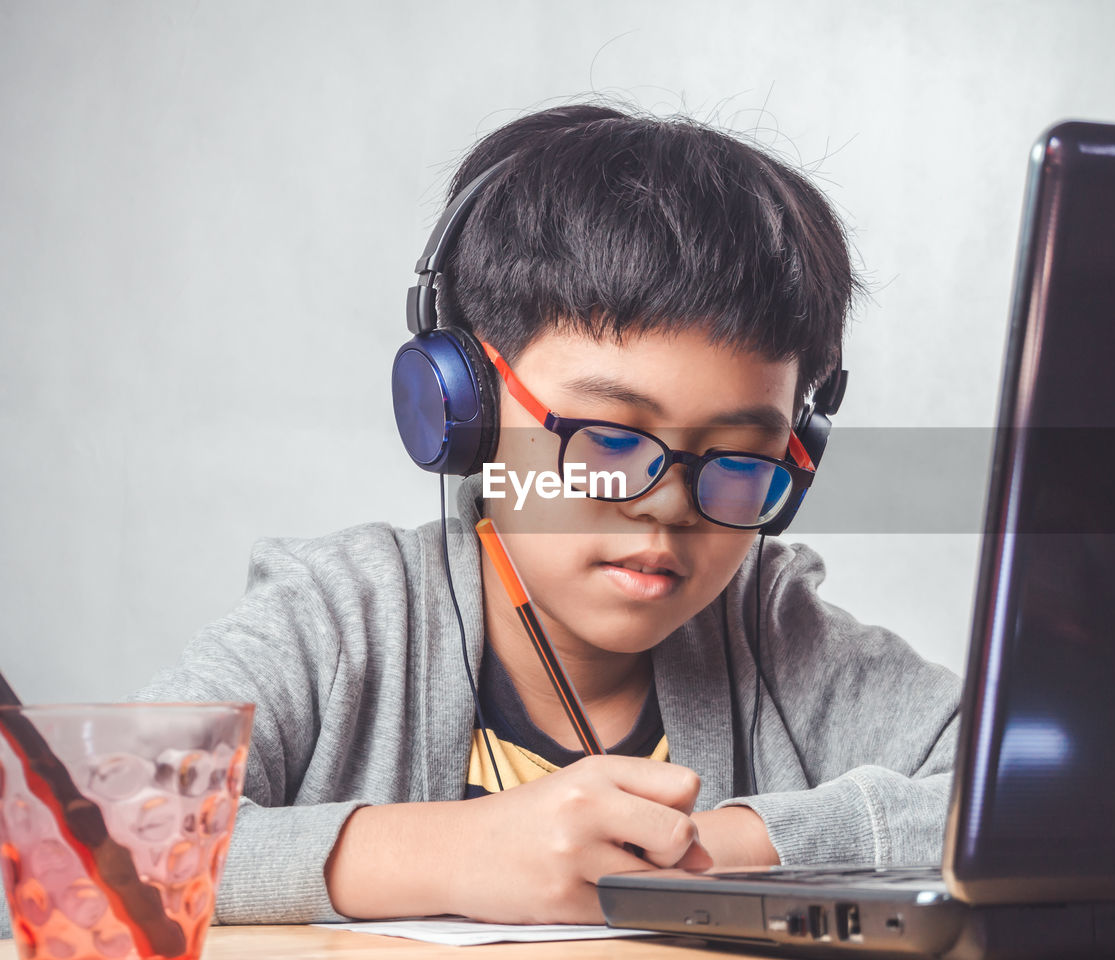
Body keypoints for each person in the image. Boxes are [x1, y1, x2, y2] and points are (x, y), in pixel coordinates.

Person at [51, 102, 962, 931]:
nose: (670, 508)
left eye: (738, 456)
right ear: (462, 408)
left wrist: (715, 853)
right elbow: (78, 834)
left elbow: (1039, 792)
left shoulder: (774, 633)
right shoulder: (341, 619)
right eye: (608, 441)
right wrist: (446, 853)